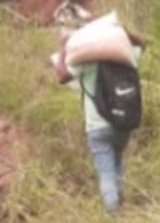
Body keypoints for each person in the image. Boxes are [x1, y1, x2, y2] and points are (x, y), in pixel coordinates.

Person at [55, 23, 145, 213]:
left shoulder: (86, 62)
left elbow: (62, 76)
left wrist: (63, 48)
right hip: (122, 123)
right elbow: (142, 45)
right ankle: (121, 206)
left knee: (106, 174)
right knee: (118, 163)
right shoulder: (125, 57)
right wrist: (123, 31)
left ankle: (114, 218)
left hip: (97, 127)